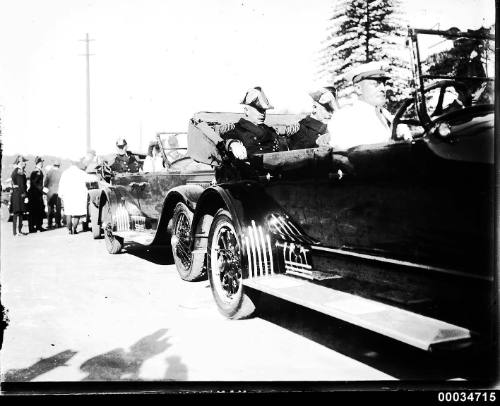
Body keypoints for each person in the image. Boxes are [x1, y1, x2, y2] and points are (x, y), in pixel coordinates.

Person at [327, 61, 412, 150]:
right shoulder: (345, 117)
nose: (383, 89)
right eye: (375, 84)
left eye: (384, 84)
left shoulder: (386, 115)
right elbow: (350, 155)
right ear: (358, 89)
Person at [219, 86, 280, 160]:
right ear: (246, 110)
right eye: (259, 109)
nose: (262, 114)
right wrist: (233, 144)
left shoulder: (270, 130)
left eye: (264, 110)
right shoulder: (235, 129)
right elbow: (225, 140)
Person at [58, 161, 89, 234]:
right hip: (79, 195)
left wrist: (60, 195)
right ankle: (74, 229)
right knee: (77, 213)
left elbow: (61, 185)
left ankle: (69, 229)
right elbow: (87, 184)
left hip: (68, 195)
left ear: (70, 164)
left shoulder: (65, 173)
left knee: (68, 212)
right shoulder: (82, 173)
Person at [10, 155, 29, 236]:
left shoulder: (17, 171)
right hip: (19, 195)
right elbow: (21, 185)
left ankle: (17, 232)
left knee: (19, 213)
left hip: (17, 194)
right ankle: (17, 232)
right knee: (18, 213)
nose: (25, 163)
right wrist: (25, 195)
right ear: (20, 162)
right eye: (23, 162)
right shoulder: (19, 171)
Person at [28, 156, 46, 233]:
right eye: (42, 162)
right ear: (39, 163)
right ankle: (33, 227)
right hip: (35, 195)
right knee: (34, 211)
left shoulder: (38, 171)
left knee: (39, 210)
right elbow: (34, 183)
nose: (42, 164)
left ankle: (38, 226)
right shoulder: (36, 172)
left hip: (37, 194)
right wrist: (42, 189)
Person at [43, 160, 63, 228]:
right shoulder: (61, 173)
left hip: (50, 193)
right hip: (58, 193)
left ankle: (49, 224)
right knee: (58, 209)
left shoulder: (49, 172)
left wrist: (44, 193)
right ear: (59, 166)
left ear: (53, 165)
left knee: (50, 209)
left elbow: (45, 183)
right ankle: (58, 223)